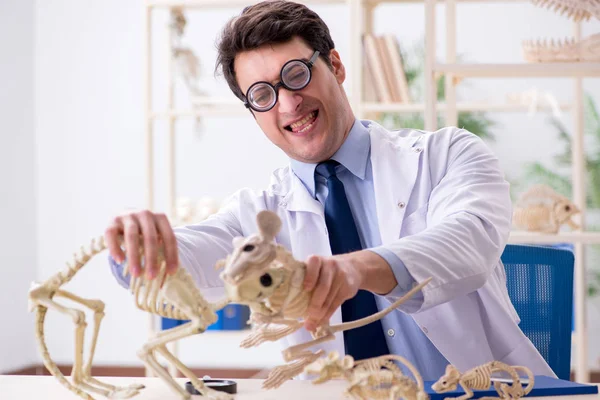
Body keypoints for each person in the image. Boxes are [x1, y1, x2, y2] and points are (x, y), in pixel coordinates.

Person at [105, 0, 555, 381]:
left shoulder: (446, 154)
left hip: (478, 386)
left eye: (296, 74)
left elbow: (470, 241)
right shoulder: (260, 212)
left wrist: (356, 270)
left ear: (335, 66)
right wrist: (139, 245)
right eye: (262, 94)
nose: (288, 103)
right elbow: (203, 257)